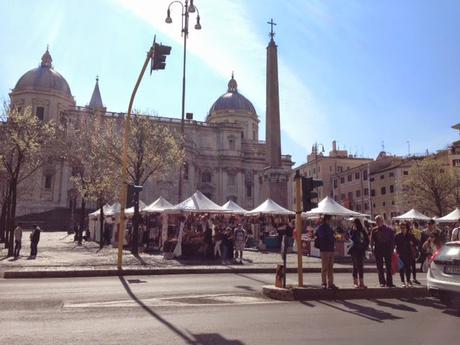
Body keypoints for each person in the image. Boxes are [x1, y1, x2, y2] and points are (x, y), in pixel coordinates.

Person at [371, 215, 395, 287]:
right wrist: (372, 249)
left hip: (387, 249)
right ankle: (382, 282)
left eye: (378, 220)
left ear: (382, 221)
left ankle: (389, 282)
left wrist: (392, 249)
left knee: (388, 266)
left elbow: (392, 240)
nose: (377, 222)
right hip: (378, 249)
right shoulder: (374, 230)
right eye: (376, 221)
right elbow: (372, 240)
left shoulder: (389, 229)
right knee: (379, 266)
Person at [315, 214, 338, 289]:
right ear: (327, 220)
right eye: (330, 219)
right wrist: (331, 235)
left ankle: (330, 283)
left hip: (330, 249)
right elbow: (322, 236)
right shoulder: (321, 228)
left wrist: (333, 235)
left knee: (330, 267)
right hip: (325, 249)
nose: (331, 221)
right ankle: (324, 283)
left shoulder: (329, 228)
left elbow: (331, 237)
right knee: (325, 267)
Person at [395, 222, 418, 287]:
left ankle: (408, 281)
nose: (402, 229)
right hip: (400, 254)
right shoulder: (397, 235)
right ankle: (403, 282)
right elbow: (394, 244)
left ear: (406, 228)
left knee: (408, 268)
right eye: (401, 228)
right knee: (401, 268)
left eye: (404, 228)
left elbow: (416, 243)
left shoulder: (410, 235)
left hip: (409, 254)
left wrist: (412, 243)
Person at [348, 218, 369, 288]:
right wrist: (353, 231)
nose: (353, 225)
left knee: (361, 266)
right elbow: (351, 238)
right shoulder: (352, 231)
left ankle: (361, 283)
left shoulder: (362, 231)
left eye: (354, 223)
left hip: (361, 250)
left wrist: (365, 247)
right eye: (353, 223)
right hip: (354, 251)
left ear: (357, 224)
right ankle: (355, 283)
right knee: (355, 266)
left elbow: (367, 239)